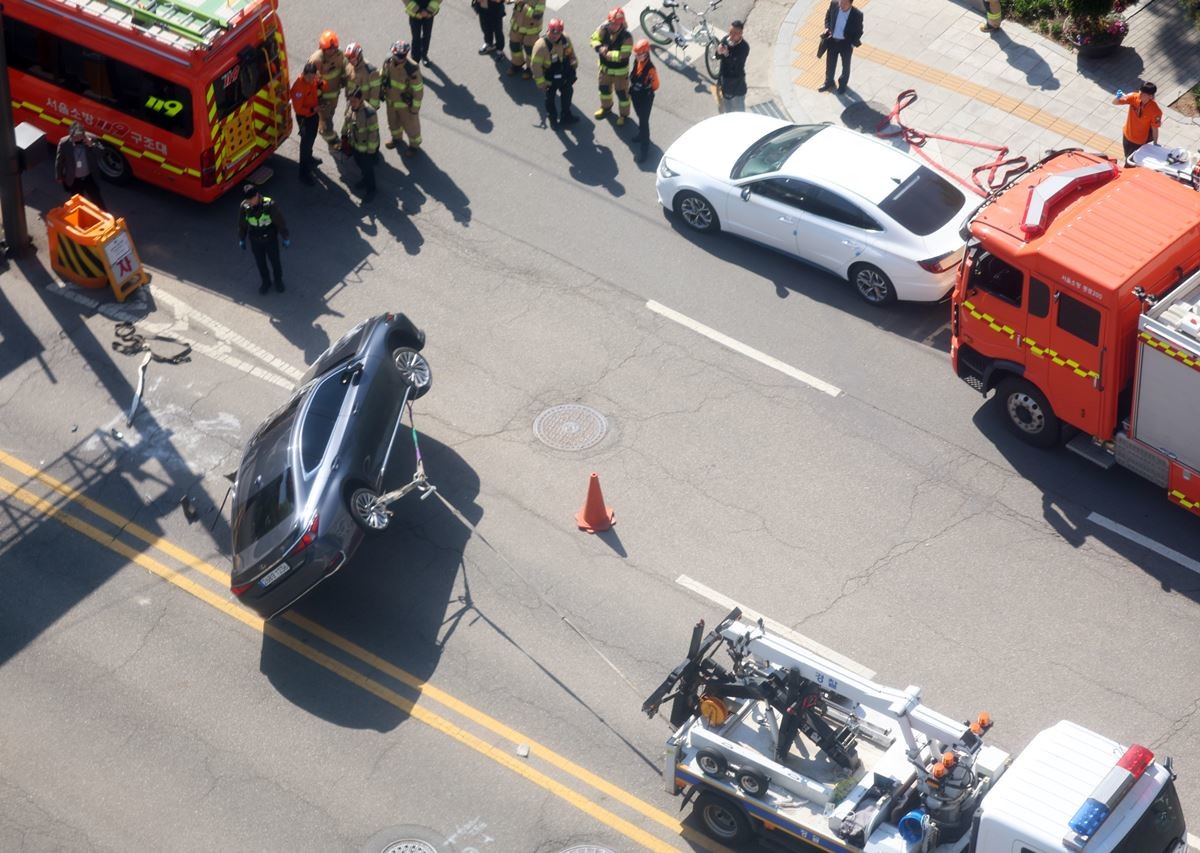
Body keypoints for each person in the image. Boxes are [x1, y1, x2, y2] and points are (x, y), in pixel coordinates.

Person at [238, 185, 289, 294]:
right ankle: (266, 282)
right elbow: (242, 225)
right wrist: (242, 238)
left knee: (275, 262)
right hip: (255, 241)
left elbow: (280, 222)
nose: (250, 202)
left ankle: (278, 281)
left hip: (270, 240)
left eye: (251, 199)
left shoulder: (269, 205)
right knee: (261, 263)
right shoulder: (244, 206)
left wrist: (285, 237)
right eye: (248, 200)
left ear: (257, 195)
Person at [532, 19, 579, 127]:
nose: (555, 35)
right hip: (549, 78)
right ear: (548, 29)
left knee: (567, 94)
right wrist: (541, 84)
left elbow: (571, 54)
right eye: (552, 31)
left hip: (564, 76)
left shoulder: (565, 39)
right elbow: (536, 67)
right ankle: (553, 119)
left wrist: (574, 64)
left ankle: (566, 115)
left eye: (558, 33)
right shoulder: (541, 46)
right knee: (550, 100)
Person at [381, 41, 424, 156]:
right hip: (391, 101)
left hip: (405, 105)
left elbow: (418, 90)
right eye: (398, 56)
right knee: (392, 122)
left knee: (411, 127)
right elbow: (383, 75)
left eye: (402, 56)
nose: (400, 58)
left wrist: (414, 109)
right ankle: (396, 138)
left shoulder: (412, 69)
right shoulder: (388, 61)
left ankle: (414, 146)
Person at [590, 8, 633, 124]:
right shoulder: (603, 29)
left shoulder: (626, 37)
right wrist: (599, 47)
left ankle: (623, 116)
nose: (612, 26)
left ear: (621, 24)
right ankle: (606, 108)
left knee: (622, 95)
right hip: (605, 71)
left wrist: (607, 54)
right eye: (611, 23)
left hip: (620, 73)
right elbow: (593, 39)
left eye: (615, 24)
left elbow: (624, 54)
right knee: (604, 91)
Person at [309, 30, 350, 149]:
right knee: (326, 123)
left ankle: (325, 126)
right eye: (329, 48)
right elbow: (310, 82)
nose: (332, 51)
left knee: (330, 116)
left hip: (334, 96)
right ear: (322, 48)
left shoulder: (339, 55)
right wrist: (318, 99)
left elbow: (345, 69)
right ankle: (332, 141)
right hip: (322, 99)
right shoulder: (316, 60)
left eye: (334, 48)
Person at [54, 122, 106, 210]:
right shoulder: (64, 143)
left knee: (97, 200)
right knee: (78, 202)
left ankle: (106, 216)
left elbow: (102, 153)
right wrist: (59, 176)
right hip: (74, 179)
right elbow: (59, 161)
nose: (77, 139)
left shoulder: (91, 138)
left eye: (79, 137)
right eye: (74, 137)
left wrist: (91, 145)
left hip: (89, 177)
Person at [290, 62, 325, 184]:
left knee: (312, 138)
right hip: (305, 118)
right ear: (304, 74)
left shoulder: (314, 80)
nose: (310, 79)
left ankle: (309, 159)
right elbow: (298, 109)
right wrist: (312, 110)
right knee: (305, 144)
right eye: (308, 77)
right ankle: (303, 173)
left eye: (312, 77)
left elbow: (321, 86)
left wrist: (321, 84)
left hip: (313, 114)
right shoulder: (298, 87)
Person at [342, 88, 381, 201]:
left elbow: (374, 133)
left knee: (368, 169)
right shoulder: (352, 107)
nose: (352, 104)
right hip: (355, 145)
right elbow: (347, 120)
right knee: (360, 165)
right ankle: (365, 180)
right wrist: (344, 135)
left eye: (354, 101)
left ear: (361, 100)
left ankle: (371, 190)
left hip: (366, 149)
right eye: (351, 101)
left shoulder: (369, 113)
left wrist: (370, 151)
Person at [819, 0, 863, 94]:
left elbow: (859, 31)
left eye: (844, 3)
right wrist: (827, 27)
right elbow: (828, 16)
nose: (841, 5)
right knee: (830, 63)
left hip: (846, 44)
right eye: (840, 2)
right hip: (832, 41)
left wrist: (852, 44)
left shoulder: (857, 15)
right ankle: (829, 82)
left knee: (845, 66)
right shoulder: (834, 4)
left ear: (850, 3)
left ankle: (842, 85)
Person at [1114, 83, 1162, 161]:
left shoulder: (1155, 111)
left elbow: (1155, 128)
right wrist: (1117, 97)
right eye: (1140, 91)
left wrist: (1155, 143)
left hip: (1139, 141)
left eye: (1143, 93)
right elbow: (1115, 102)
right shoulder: (1134, 97)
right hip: (1127, 135)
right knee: (1127, 156)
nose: (1140, 93)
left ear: (1150, 96)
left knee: (1131, 161)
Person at [629, 39, 659, 162]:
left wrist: (646, 86)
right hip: (636, 96)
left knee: (644, 122)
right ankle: (641, 135)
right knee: (640, 117)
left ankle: (644, 149)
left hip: (645, 98)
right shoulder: (637, 62)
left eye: (639, 54)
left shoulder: (650, 69)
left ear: (646, 54)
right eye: (636, 54)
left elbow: (656, 85)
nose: (636, 56)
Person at [715, 21, 749, 112]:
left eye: (734, 33)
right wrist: (718, 51)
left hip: (736, 86)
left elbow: (736, 66)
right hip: (724, 82)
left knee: (739, 112)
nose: (731, 36)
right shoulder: (726, 39)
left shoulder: (744, 47)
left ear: (741, 34)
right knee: (726, 109)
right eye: (730, 32)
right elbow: (718, 56)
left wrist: (726, 54)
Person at [508, 0, 546, 79]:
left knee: (530, 50)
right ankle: (517, 64)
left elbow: (537, 15)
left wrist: (525, 6)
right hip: (517, 26)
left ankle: (530, 69)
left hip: (531, 30)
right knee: (514, 46)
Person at [344, 43, 382, 109]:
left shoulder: (371, 72)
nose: (350, 60)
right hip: (352, 105)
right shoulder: (348, 67)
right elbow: (348, 88)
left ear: (359, 56)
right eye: (349, 58)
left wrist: (371, 112)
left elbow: (375, 96)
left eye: (352, 58)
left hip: (365, 109)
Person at [406, 0, 441, 65]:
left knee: (427, 36)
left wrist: (428, 11)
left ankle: (424, 55)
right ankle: (415, 58)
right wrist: (418, 11)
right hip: (415, 14)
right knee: (416, 37)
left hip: (429, 14)